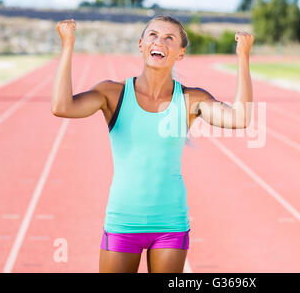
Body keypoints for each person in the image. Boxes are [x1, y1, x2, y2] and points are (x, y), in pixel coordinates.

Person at [51, 14, 254, 273]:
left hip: (170, 224)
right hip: (123, 221)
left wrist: (243, 57)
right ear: (141, 44)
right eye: (153, 35)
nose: (160, 41)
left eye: (170, 38)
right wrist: (67, 45)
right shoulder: (112, 93)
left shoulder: (191, 99)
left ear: (180, 53)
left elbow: (240, 118)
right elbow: (61, 106)